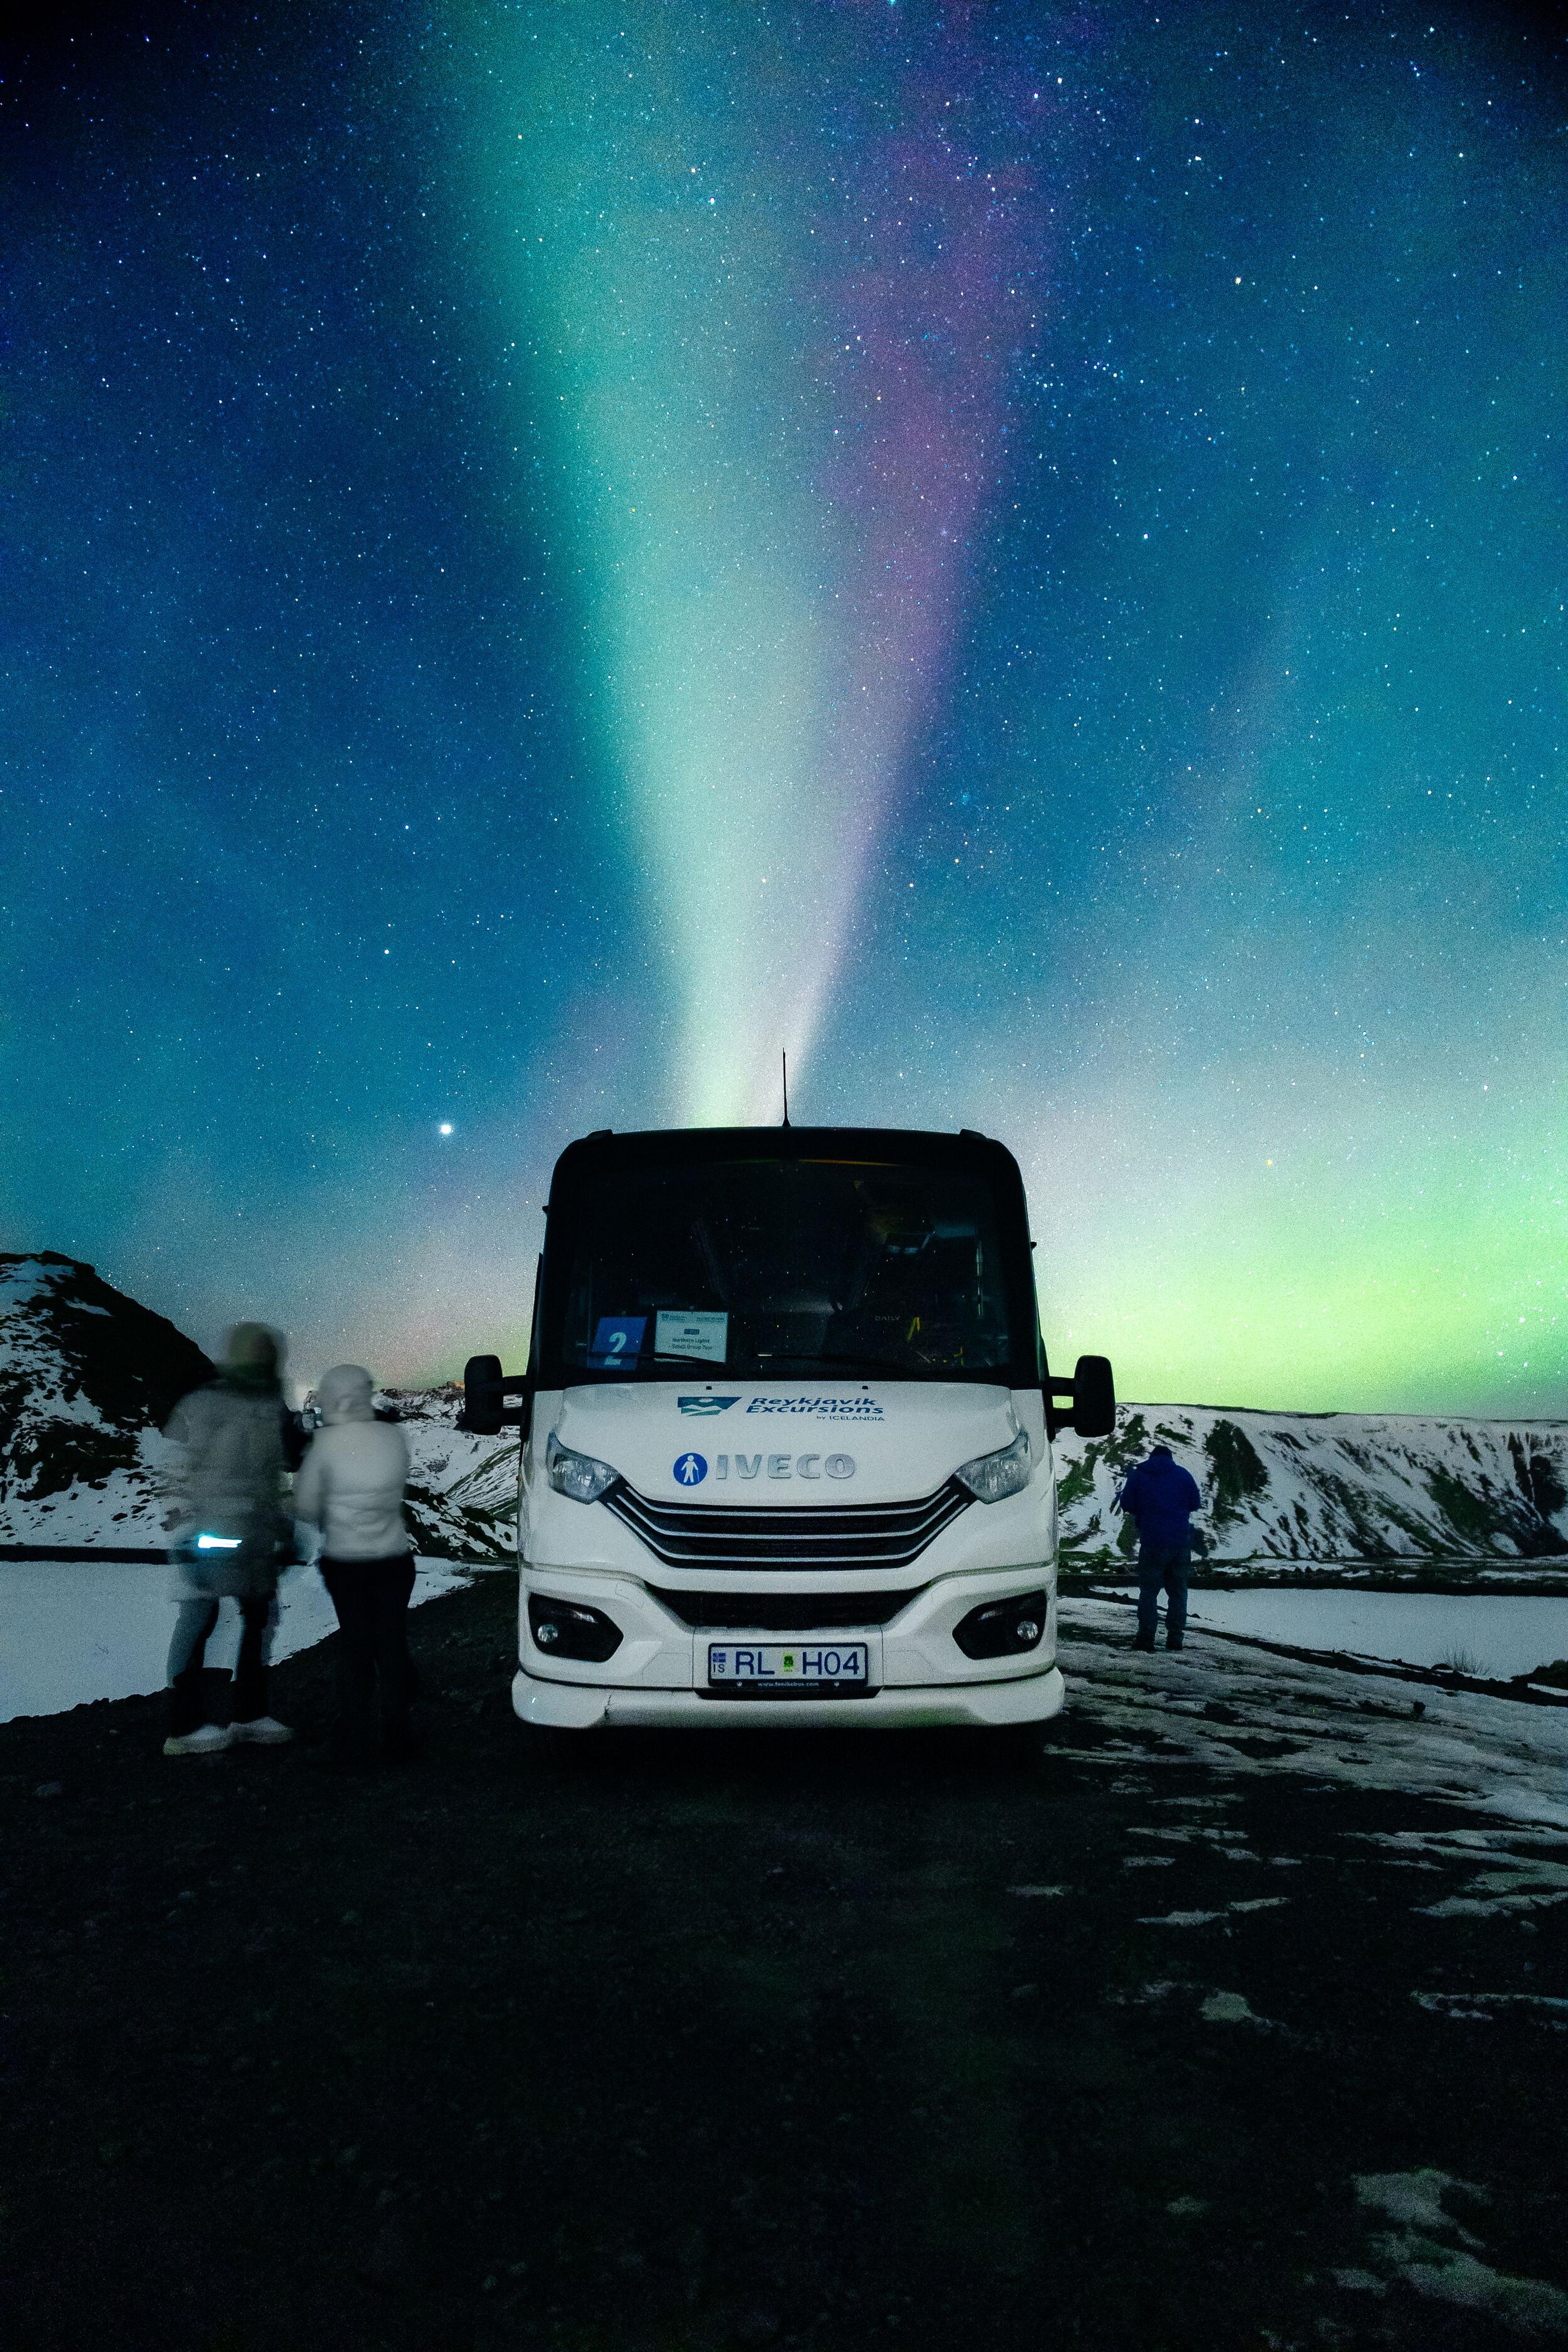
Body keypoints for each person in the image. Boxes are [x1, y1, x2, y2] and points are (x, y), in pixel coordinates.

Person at [161, 1322, 298, 1755]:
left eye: (268, 1353)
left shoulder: (269, 1406)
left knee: (260, 1620)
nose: (263, 1360)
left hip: (254, 1535)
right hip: (210, 1532)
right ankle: (183, 1727)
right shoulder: (205, 1405)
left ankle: (250, 1715)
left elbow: (269, 1475)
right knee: (199, 1618)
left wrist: (282, 1525)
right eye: (256, 1353)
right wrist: (182, 1529)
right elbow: (176, 1467)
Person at [294, 1364, 417, 1765]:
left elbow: (307, 1507)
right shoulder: (393, 1436)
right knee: (392, 1643)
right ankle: (397, 1735)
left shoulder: (326, 1445)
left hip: (347, 1562)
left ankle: (353, 1736)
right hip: (395, 1559)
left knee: (356, 1647)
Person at [1115, 1442, 1204, 1653]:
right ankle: (1175, 1639)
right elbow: (1195, 1503)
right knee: (1179, 1592)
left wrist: (1146, 1510)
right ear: (1170, 1458)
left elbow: (1126, 1503)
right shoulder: (1183, 1475)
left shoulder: (1140, 1474)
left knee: (1149, 1591)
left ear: (1152, 1457)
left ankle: (1146, 1638)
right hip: (1180, 1543)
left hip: (1153, 1541)